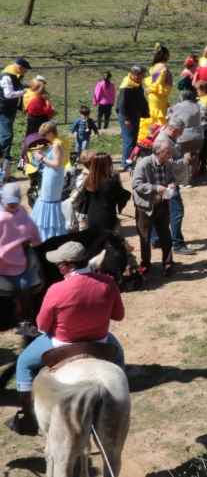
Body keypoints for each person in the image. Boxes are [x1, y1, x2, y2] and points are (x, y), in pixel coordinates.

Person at [8, 240, 126, 437]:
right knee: (119, 359)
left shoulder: (56, 289)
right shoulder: (108, 283)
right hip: (100, 342)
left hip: (62, 343)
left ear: (71, 265)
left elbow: (43, 326)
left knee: (23, 364)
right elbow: (119, 316)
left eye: (59, 264)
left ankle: (29, 420)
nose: (57, 266)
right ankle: (118, 402)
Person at [132, 139, 188, 276]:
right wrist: (154, 188)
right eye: (167, 151)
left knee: (166, 235)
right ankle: (145, 264)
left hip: (163, 205)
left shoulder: (167, 164)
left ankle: (168, 263)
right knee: (145, 237)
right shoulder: (143, 164)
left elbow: (172, 178)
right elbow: (136, 185)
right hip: (146, 208)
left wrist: (172, 184)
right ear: (158, 153)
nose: (170, 154)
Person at [0, 183, 43, 334]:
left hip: (19, 257)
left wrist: (37, 243)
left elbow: (31, 228)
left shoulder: (22, 211)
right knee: (23, 283)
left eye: (15, 202)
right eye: (9, 202)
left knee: (26, 284)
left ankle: (24, 320)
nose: (12, 205)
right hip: (3, 260)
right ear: (2, 200)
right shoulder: (1, 218)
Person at [151, 119, 196, 256]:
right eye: (180, 133)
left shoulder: (167, 137)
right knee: (176, 212)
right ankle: (177, 244)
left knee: (159, 210)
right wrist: (185, 160)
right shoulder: (163, 141)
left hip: (164, 181)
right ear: (173, 130)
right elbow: (166, 162)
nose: (180, 136)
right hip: (169, 183)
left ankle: (156, 239)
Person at [29, 123, 69, 241]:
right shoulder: (58, 142)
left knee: (47, 201)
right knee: (48, 201)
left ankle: (47, 233)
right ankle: (52, 230)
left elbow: (57, 164)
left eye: (45, 135)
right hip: (52, 175)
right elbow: (55, 160)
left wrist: (41, 158)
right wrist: (44, 154)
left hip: (52, 177)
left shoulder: (56, 145)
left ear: (50, 133)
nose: (44, 137)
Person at [82, 152, 131, 233]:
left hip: (92, 216)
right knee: (109, 242)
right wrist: (119, 181)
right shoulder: (112, 181)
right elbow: (121, 196)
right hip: (107, 216)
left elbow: (84, 197)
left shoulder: (88, 180)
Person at [168, 89, 205, 187]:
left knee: (180, 157)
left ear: (182, 97)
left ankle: (181, 180)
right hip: (198, 135)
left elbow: (173, 120)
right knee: (193, 158)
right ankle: (190, 181)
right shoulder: (197, 105)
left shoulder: (178, 106)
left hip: (184, 136)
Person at [116, 65, 150, 171]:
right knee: (129, 141)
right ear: (135, 74)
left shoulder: (137, 84)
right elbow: (121, 105)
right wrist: (126, 118)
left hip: (136, 115)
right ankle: (127, 164)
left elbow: (141, 98)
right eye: (142, 74)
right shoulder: (126, 86)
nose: (143, 76)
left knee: (134, 140)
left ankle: (130, 161)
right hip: (128, 116)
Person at [139, 43, 172, 142]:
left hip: (155, 94)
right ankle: (157, 138)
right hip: (157, 94)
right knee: (158, 114)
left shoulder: (155, 66)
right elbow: (158, 82)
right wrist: (151, 88)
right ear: (166, 55)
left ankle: (148, 136)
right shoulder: (163, 68)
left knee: (153, 112)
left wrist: (149, 88)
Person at [0, 57, 30, 163]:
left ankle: (5, 155)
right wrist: (24, 91)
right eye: (25, 69)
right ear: (20, 67)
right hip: (4, 109)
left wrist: (28, 85)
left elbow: (16, 87)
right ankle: (3, 158)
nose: (26, 72)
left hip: (10, 109)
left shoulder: (15, 75)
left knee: (7, 134)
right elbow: (8, 94)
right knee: (7, 135)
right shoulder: (7, 76)